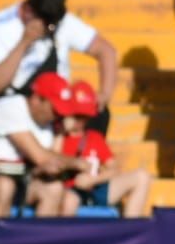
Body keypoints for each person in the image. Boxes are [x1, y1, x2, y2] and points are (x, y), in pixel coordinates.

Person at [0, 0, 120, 116]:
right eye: (48, 25)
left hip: (59, 100)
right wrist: (24, 43)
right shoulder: (0, 27)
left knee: (99, 114)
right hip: (20, 103)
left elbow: (106, 51)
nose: (52, 29)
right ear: (29, 11)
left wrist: (104, 94)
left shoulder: (59, 20)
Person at [0, 73, 81, 218]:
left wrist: (60, 134)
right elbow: (41, 157)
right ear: (36, 99)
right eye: (55, 110)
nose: (57, 115)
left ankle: (41, 240)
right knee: (4, 185)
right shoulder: (10, 106)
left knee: (54, 188)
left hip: (19, 180)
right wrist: (79, 163)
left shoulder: (48, 124)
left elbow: (51, 164)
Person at [57, 79, 153, 216]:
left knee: (142, 177)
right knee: (70, 200)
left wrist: (94, 179)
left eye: (84, 117)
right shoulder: (58, 136)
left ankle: (131, 232)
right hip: (69, 190)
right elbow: (52, 159)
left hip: (95, 188)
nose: (80, 121)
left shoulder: (94, 138)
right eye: (76, 116)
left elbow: (114, 168)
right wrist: (60, 132)